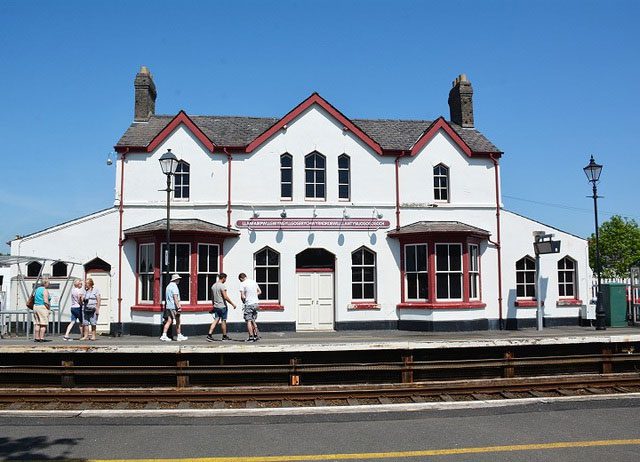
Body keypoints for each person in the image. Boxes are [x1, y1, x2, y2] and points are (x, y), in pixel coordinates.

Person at [207, 272, 236, 342]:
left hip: (216, 306)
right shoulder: (222, 286)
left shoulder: (213, 286)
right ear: (223, 278)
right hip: (222, 306)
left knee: (216, 320)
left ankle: (209, 335)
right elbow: (225, 297)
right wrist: (232, 304)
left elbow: (212, 297)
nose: (225, 280)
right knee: (223, 321)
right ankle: (224, 336)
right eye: (225, 278)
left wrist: (213, 305)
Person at [160, 274, 188, 342]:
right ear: (176, 280)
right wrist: (178, 307)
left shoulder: (168, 286)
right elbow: (175, 297)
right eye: (178, 279)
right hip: (174, 306)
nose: (179, 280)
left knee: (169, 321)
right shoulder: (174, 287)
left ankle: (164, 335)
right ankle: (179, 335)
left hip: (168, 306)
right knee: (178, 321)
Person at [238, 273, 261, 342]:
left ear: (241, 278)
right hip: (256, 303)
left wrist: (244, 301)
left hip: (249, 303)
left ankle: (251, 337)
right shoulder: (253, 282)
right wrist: (253, 295)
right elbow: (259, 292)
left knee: (248, 320)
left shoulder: (243, 283)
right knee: (253, 320)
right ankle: (256, 335)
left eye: (240, 280)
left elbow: (242, 296)